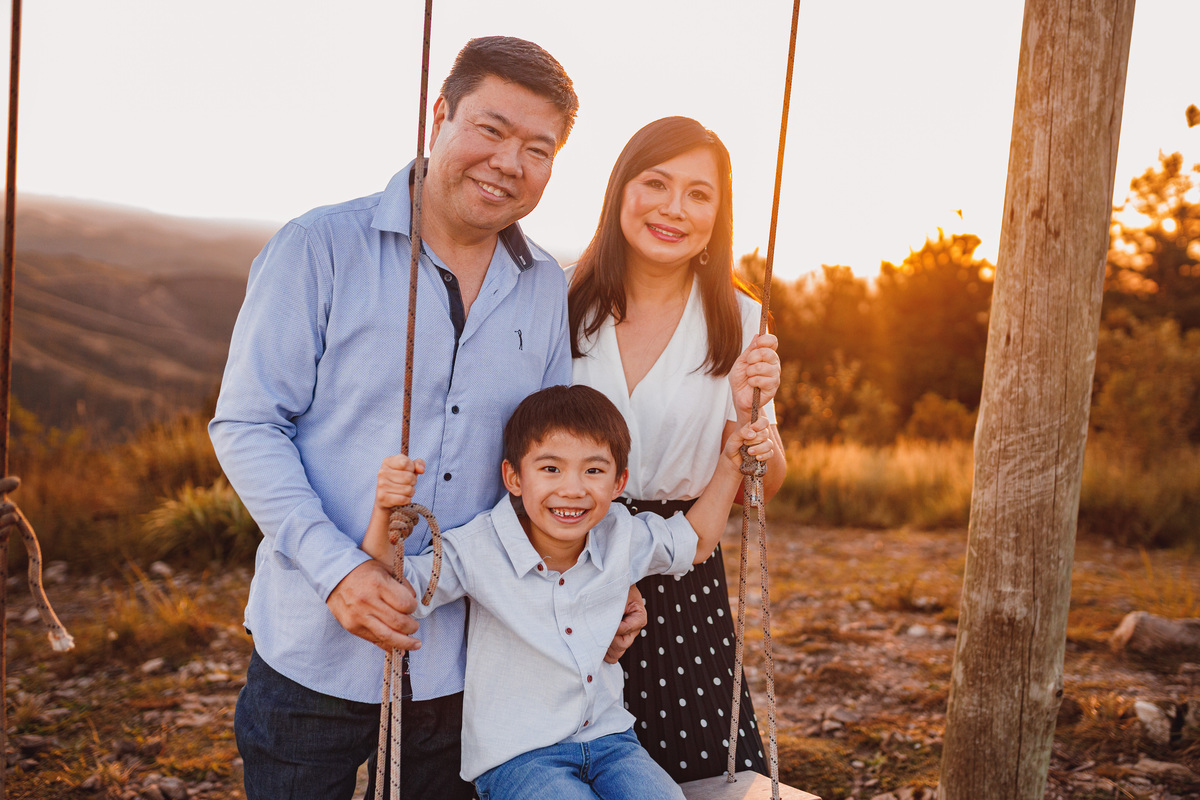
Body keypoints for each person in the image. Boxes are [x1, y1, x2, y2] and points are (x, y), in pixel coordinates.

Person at [209, 37, 642, 800]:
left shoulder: (546, 286)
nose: (509, 163)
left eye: (538, 149)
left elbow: (556, 460)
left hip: (466, 662)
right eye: (491, 129)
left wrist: (595, 579)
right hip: (314, 646)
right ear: (439, 115)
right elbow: (247, 425)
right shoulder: (317, 246)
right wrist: (337, 570)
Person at [362, 384, 776, 799]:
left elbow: (695, 540)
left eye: (593, 471)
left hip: (611, 742)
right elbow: (396, 588)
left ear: (619, 482)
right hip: (520, 756)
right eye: (551, 469)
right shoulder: (480, 547)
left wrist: (730, 465)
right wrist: (384, 515)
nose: (573, 489)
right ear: (514, 477)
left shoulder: (620, 535)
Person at [568, 116, 787, 783]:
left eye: (698, 194)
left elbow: (763, 482)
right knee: (560, 770)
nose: (674, 208)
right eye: (656, 183)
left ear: (718, 216)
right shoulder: (559, 300)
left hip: (680, 573)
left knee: (691, 774)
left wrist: (752, 426)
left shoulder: (740, 318)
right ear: (620, 191)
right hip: (563, 559)